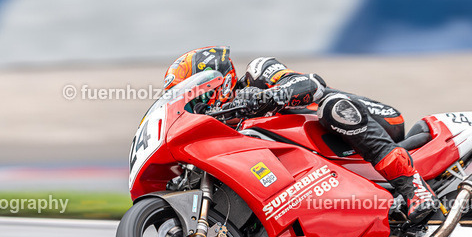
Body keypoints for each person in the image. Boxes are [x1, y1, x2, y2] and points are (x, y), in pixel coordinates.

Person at [162, 46, 437, 223]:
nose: (195, 106)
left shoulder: (257, 73)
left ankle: (414, 189)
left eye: (195, 95)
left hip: (369, 118)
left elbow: (312, 84)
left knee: (333, 107)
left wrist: (266, 97)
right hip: (326, 162)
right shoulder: (229, 132)